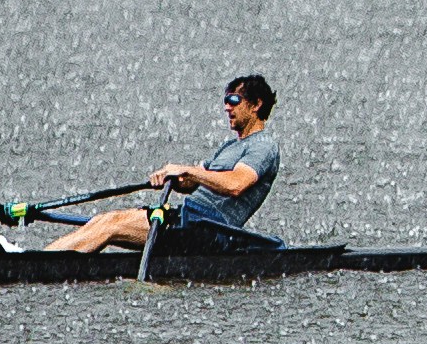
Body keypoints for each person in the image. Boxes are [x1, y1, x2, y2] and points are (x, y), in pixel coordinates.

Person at [49, 77, 280, 256]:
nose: (227, 108)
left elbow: (236, 185)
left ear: (256, 105)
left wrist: (187, 170)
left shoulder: (263, 146)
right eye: (225, 101)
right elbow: (192, 182)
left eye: (233, 101)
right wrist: (174, 178)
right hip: (189, 219)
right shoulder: (230, 146)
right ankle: (38, 257)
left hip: (209, 231)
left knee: (112, 227)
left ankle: (40, 265)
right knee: (103, 219)